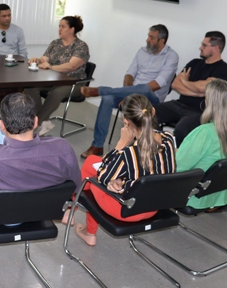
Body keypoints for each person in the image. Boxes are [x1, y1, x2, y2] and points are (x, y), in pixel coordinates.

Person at [75, 94, 176, 246]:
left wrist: (122, 143)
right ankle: (74, 209)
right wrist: (122, 180)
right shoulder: (169, 139)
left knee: (91, 166)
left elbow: (103, 176)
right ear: (153, 112)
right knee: (94, 163)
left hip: (126, 211)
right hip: (153, 207)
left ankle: (83, 222)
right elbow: (152, 170)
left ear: (126, 122)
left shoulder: (128, 153)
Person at [80, 25, 179, 158]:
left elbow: (157, 84)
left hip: (151, 99)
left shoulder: (171, 57)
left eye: (151, 37)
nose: (147, 40)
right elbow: (129, 75)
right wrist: (129, 94)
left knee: (145, 87)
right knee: (107, 99)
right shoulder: (142, 51)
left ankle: (100, 90)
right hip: (132, 93)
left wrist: (130, 95)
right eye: (148, 36)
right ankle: (97, 145)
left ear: (162, 41)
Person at [176, 79, 227, 211]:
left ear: (209, 102)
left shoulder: (205, 132)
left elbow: (178, 167)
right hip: (218, 194)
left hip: (192, 196)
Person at [154, 31, 227, 146]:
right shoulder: (194, 63)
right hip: (178, 104)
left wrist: (186, 81)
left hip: (200, 112)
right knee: (148, 114)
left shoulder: (224, 70)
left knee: (182, 129)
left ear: (216, 48)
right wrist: (197, 92)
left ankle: (177, 159)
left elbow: (203, 88)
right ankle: (156, 149)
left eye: (204, 45)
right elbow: (175, 84)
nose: (200, 48)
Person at [24, 15, 90, 136]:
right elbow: (44, 59)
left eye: (63, 26)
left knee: (56, 92)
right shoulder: (55, 43)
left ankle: (35, 124)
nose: (59, 29)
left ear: (72, 29)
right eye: (59, 26)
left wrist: (51, 67)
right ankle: (44, 120)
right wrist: (37, 60)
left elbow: (72, 66)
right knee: (30, 87)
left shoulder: (81, 46)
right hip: (53, 79)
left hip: (74, 82)